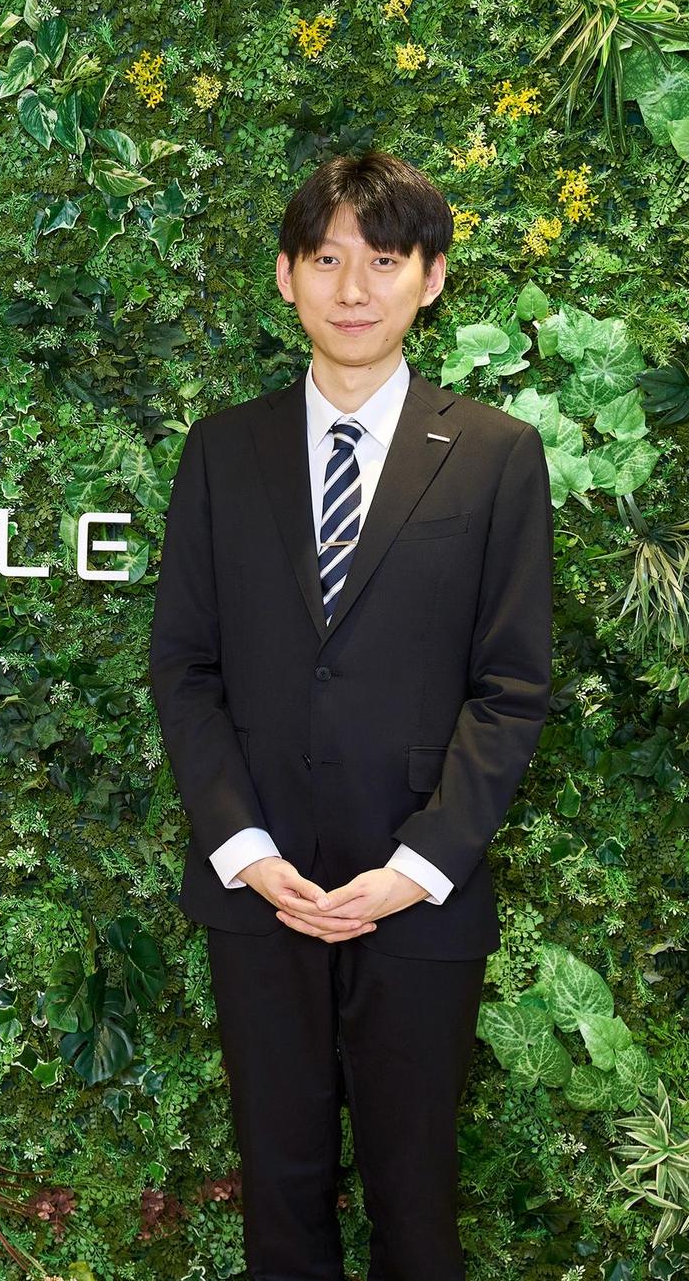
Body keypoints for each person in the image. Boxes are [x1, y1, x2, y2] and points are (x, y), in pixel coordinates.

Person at [148, 150, 552, 1279]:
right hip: (261, 890)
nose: (354, 288)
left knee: (415, 1201)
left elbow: (512, 686)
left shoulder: (495, 455)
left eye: (383, 260)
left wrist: (420, 866)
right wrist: (244, 850)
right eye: (326, 260)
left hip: (419, 895)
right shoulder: (224, 450)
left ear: (431, 277)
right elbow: (184, 666)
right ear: (287, 277)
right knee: (278, 1196)